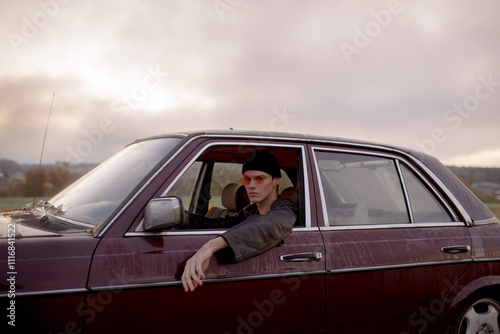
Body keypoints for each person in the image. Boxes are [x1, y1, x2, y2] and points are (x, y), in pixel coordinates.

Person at [180, 151, 298, 292]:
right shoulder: (250, 211)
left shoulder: (285, 208)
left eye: (259, 179)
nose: (251, 185)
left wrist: (210, 247)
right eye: (247, 179)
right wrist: (180, 217)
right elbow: (215, 224)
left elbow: (268, 224)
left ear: (276, 181)